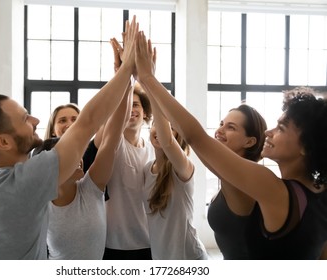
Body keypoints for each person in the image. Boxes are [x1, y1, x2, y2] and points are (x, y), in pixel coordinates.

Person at [0, 16, 140, 260]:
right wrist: (127, 68)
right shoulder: (27, 181)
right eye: (25, 119)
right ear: (3, 142)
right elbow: (87, 121)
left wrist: (124, 77)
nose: (35, 120)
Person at [135, 31, 327, 259]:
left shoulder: (274, 189)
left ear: (306, 146)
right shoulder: (320, 195)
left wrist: (147, 78)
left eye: (281, 128)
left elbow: (196, 137)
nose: (269, 131)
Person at [33, 88, 132, 259]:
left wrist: (128, 79)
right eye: (68, 156)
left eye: (77, 154)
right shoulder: (39, 203)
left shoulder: (90, 188)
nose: (78, 159)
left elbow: (113, 135)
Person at [91, 37, 154, 260]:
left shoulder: (153, 149)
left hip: (149, 242)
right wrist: (123, 74)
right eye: (129, 106)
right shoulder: (112, 140)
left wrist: (147, 76)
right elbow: (115, 116)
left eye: (136, 105)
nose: (131, 110)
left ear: (145, 113)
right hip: (112, 244)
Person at [142, 90, 208, 260]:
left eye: (172, 127)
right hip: (160, 257)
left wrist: (149, 84)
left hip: (188, 258)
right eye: (157, 123)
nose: (162, 130)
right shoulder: (147, 169)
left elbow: (167, 142)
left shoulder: (183, 167)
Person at [206, 104, 267, 259]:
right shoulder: (228, 175)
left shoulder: (245, 182)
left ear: (249, 142)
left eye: (231, 127)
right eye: (221, 124)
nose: (219, 131)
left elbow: (194, 138)